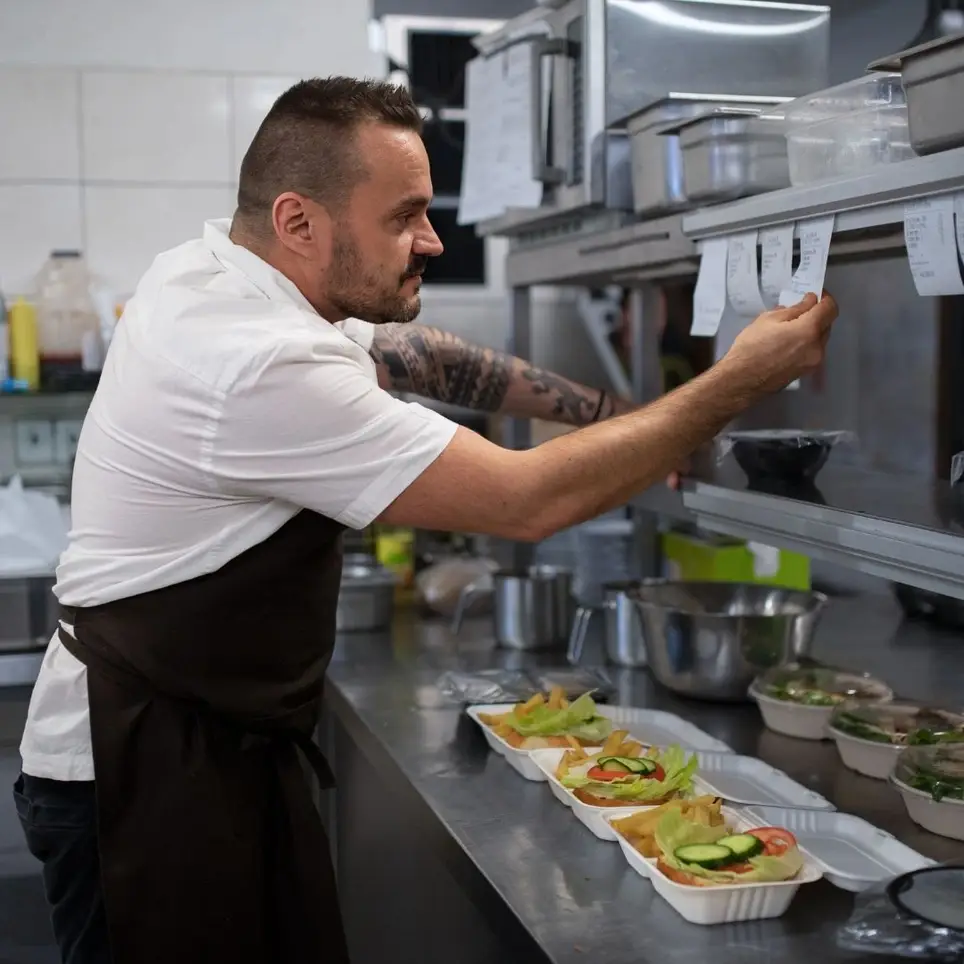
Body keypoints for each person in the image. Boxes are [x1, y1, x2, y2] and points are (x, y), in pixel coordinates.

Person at [13, 77, 837, 964]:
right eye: (405, 216)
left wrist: (609, 412)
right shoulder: (253, 362)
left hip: (199, 751)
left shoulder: (216, 272)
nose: (433, 241)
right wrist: (733, 385)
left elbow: (419, 355)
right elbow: (528, 502)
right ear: (298, 223)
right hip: (139, 781)